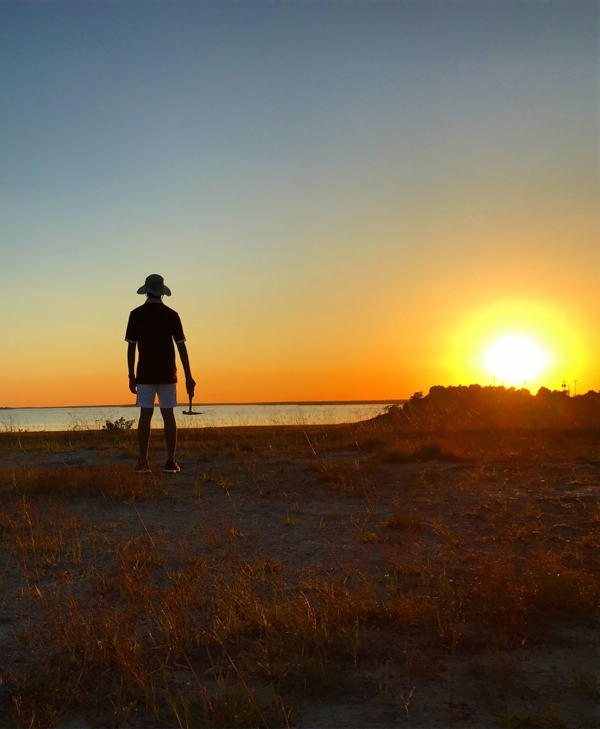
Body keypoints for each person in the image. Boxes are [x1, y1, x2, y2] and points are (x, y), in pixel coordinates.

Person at [125, 274, 195, 474]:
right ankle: (171, 461)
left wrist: (131, 376)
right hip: (167, 373)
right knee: (168, 415)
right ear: (162, 293)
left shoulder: (136, 314)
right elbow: (182, 347)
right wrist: (188, 376)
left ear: (146, 291)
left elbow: (131, 348)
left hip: (145, 373)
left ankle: (143, 461)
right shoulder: (172, 315)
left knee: (145, 415)